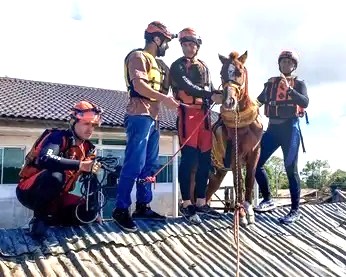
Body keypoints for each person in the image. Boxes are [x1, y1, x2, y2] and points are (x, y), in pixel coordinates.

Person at [112, 21, 179, 232]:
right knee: (134, 162)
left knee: (149, 165)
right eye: (166, 41)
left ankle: (143, 205)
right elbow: (139, 85)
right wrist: (164, 99)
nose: (167, 46)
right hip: (139, 115)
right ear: (157, 39)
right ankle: (121, 209)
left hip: (154, 119)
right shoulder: (138, 57)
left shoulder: (159, 65)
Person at [16, 100, 103, 237]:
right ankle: (39, 220)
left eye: (93, 125)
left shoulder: (89, 149)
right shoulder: (57, 137)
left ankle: (53, 220)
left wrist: (93, 210)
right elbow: (46, 158)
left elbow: (91, 181)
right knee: (57, 175)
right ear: (74, 122)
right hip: (30, 190)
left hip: (58, 196)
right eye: (86, 124)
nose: (90, 129)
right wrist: (80, 165)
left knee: (86, 214)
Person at [170, 27, 223, 224]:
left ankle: (201, 202)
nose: (189, 47)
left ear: (197, 46)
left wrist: (219, 94)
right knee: (189, 160)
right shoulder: (178, 66)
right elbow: (186, 86)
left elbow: (209, 87)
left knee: (204, 161)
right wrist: (210, 95)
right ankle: (186, 204)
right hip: (188, 114)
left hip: (205, 115)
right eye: (185, 44)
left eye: (192, 44)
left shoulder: (204, 66)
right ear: (182, 46)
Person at [254, 50, 309, 224]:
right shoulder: (270, 84)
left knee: (290, 168)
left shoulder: (299, 83)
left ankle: (295, 210)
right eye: (283, 62)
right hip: (272, 130)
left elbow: (305, 102)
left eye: (289, 62)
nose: (286, 65)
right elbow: (257, 102)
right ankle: (268, 199)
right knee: (255, 163)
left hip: (290, 129)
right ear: (279, 64)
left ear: (294, 66)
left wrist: (289, 89)